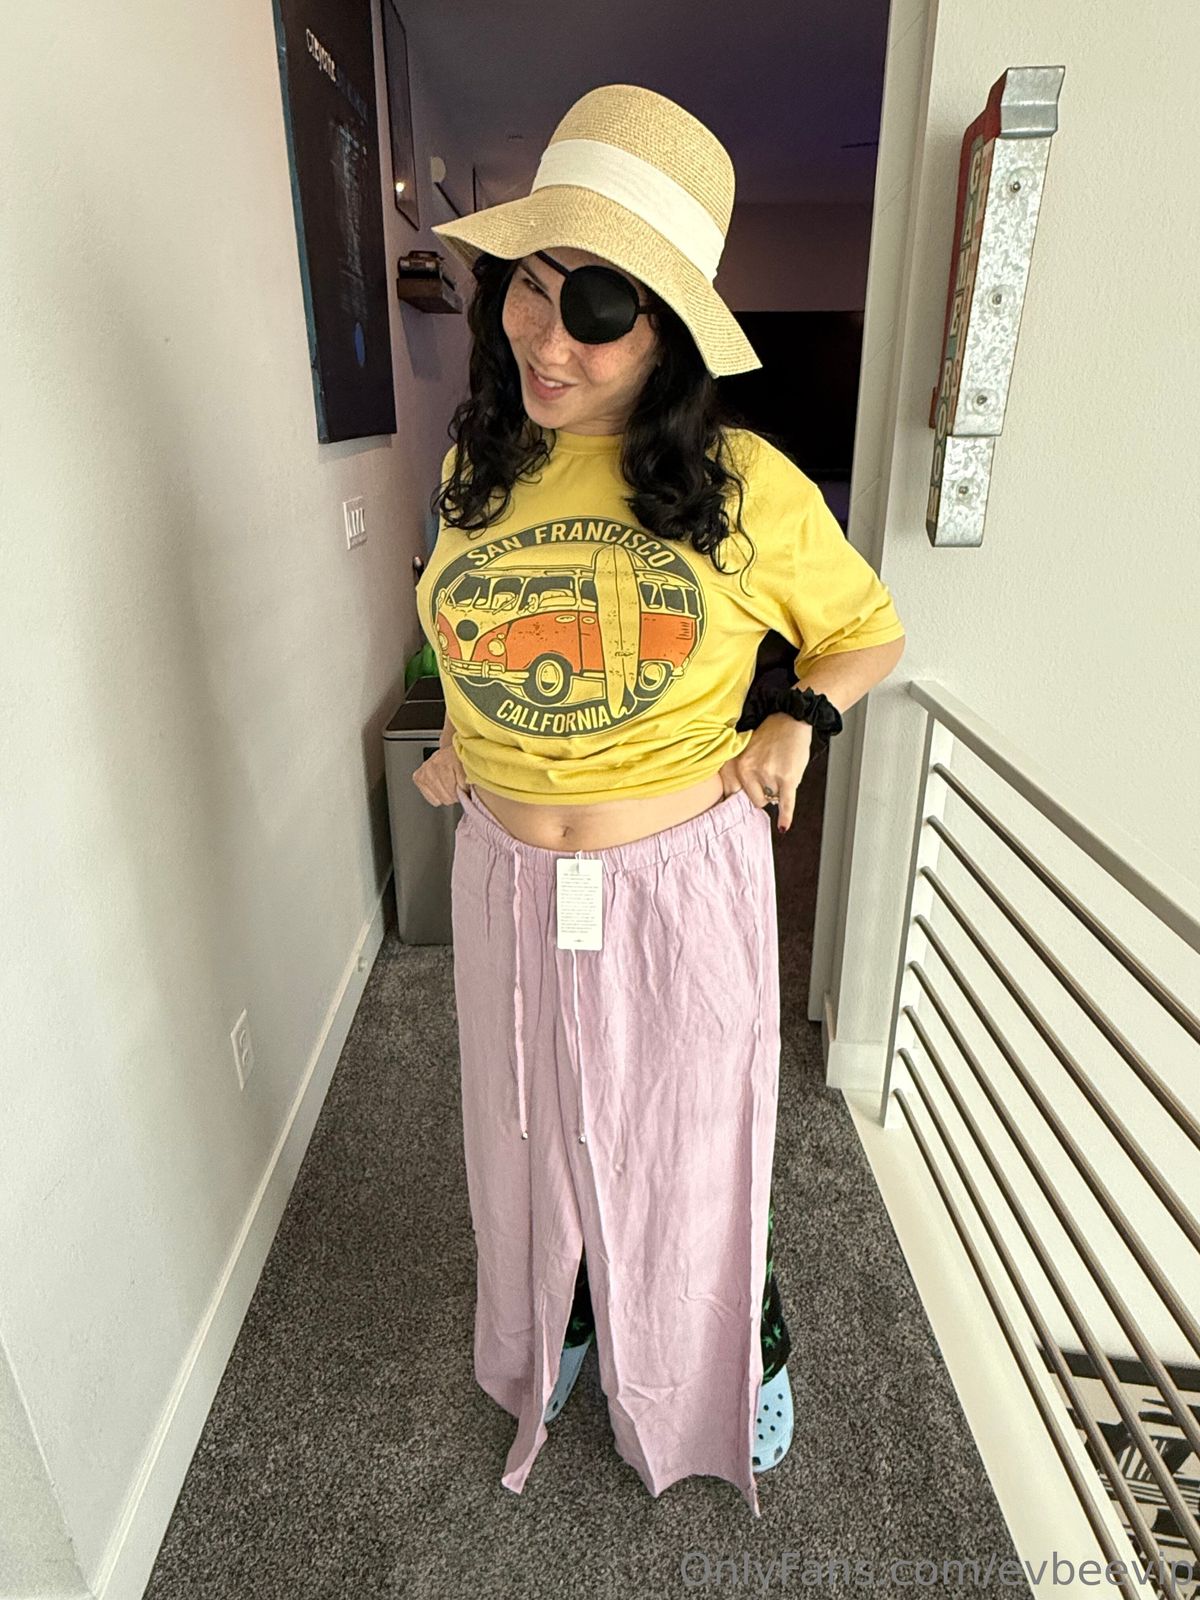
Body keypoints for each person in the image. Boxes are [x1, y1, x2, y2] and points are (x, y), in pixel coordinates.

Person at [412, 84, 906, 1519]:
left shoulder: (741, 482)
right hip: (505, 871)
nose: (546, 339)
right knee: (523, 1132)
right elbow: (466, 624)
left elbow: (865, 631)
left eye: (599, 308)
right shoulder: (474, 468)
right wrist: (462, 742)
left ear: (670, 330)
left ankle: (731, 1349)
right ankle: (562, 1320)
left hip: (676, 876)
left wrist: (798, 716)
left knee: (687, 1143)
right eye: (531, 285)